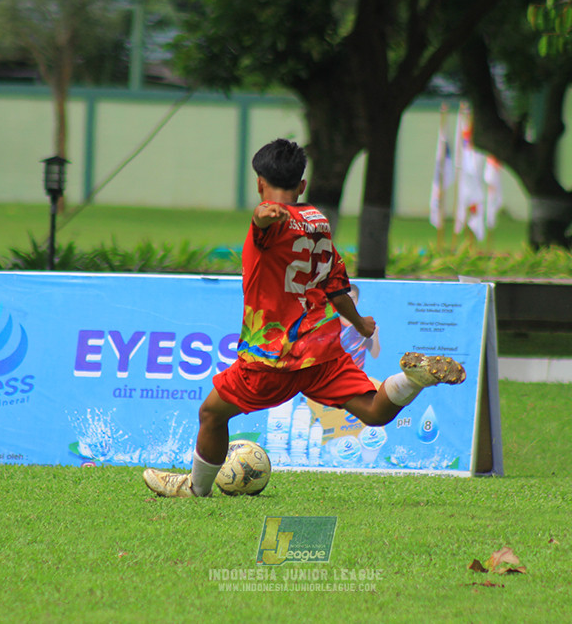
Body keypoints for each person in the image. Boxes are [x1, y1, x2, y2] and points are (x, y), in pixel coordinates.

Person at [142, 138, 465, 497]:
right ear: (302, 186)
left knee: (211, 414)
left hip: (273, 358)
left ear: (259, 182)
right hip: (322, 349)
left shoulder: (269, 223)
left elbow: (262, 223)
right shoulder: (318, 222)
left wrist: (261, 217)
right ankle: (412, 381)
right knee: (373, 411)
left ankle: (195, 490)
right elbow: (336, 286)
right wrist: (359, 324)